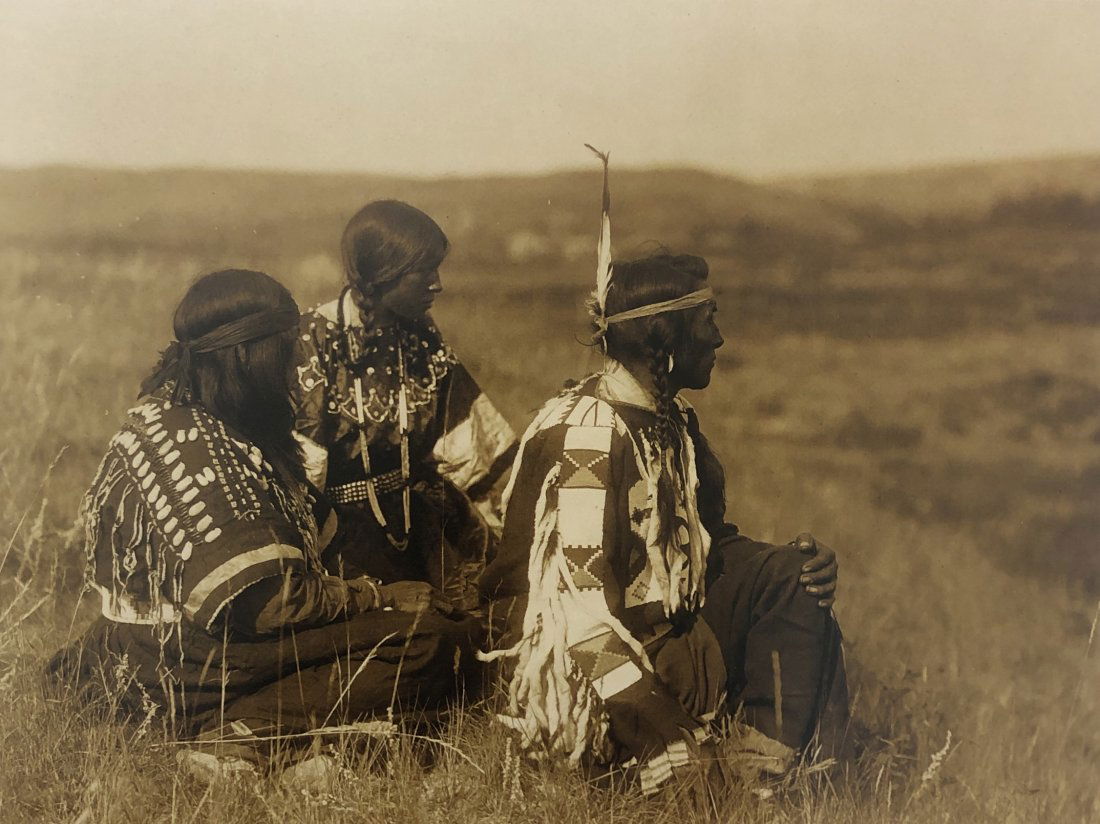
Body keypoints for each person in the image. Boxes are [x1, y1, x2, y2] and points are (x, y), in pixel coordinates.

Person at [480, 157, 845, 797]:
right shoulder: (588, 436)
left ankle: (765, 782)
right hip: (587, 671)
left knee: (797, 589)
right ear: (663, 335)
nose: (719, 340)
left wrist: (790, 569)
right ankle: (715, 778)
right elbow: (576, 618)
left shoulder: (667, 420)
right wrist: (661, 729)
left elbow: (697, 546)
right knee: (686, 780)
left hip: (663, 631)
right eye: (708, 322)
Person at [47, 269, 481, 775]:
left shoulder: (200, 418)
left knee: (435, 631)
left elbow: (329, 531)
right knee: (426, 646)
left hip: (146, 652)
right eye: (286, 350)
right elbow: (270, 606)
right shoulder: (199, 448)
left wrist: (420, 581)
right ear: (244, 355)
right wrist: (379, 599)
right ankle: (238, 735)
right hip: (183, 666)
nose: (295, 367)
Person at [293, 201, 517, 611]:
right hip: (340, 539)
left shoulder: (420, 333)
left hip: (421, 527)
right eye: (425, 271)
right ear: (383, 274)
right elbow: (303, 473)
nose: (437, 284)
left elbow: (466, 439)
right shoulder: (313, 341)